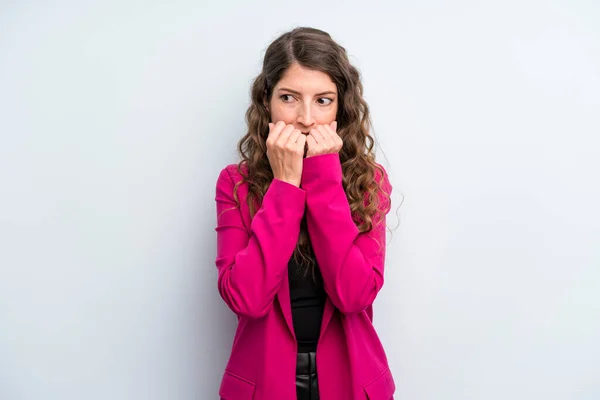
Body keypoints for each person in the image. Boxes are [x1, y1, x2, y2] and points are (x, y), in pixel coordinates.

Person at [214, 27, 395, 400]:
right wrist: (284, 185)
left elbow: (354, 295)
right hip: (263, 383)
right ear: (266, 101)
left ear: (341, 106)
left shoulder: (368, 181)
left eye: (323, 100)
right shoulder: (236, 184)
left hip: (350, 382)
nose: (306, 119)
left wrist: (324, 178)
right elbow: (247, 298)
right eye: (289, 98)